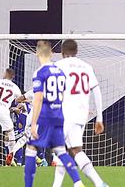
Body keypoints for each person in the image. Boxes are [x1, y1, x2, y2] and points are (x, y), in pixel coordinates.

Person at [23, 40, 83, 187]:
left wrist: (34, 124)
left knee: (31, 149)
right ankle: (78, 182)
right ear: (51, 53)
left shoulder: (40, 73)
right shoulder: (60, 73)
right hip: (59, 117)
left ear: (37, 53)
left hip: (45, 117)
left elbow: (38, 99)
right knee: (61, 151)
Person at [53, 40, 107, 187]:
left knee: (60, 150)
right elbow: (96, 91)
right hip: (80, 116)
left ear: (62, 52)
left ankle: (62, 185)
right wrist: (99, 118)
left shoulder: (58, 66)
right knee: (76, 150)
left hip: (63, 114)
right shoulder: (86, 66)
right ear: (76, 52)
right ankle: (99, 183)